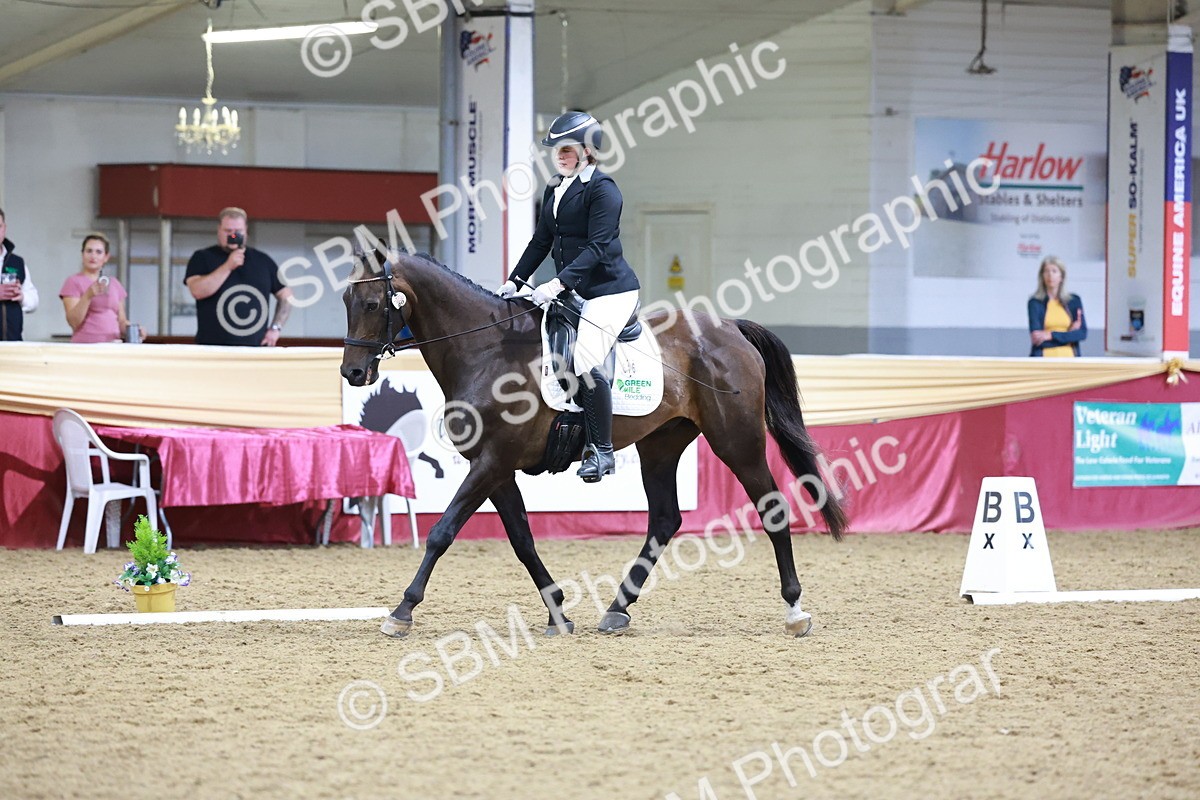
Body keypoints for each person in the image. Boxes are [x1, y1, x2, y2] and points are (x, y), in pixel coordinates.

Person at [496, 111, 641, 483]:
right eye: (557, 149)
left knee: (586, 359)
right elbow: (542, 240)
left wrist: (557, 284)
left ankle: (602, 452)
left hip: (611, 291)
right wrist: (516, 279)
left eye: (568, 148)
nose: (560, 155)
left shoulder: (604, 190)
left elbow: (596, 247)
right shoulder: (555, 187)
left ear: (588, 151)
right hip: (575, 289)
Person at [184, 207, 292, 346]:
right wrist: (228, 266)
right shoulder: (202, 257)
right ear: (219, 230)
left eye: (238, 232)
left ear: (246, 231)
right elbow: (197, 291)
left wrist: (275, 329)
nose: (233, 236)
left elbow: (286, 296)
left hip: (254, 347)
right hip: (212, 347)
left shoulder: (263, 261)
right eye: (228, 231)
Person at [60, 234, 142, 343]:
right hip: (85, 346)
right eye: (89, 251)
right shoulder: (73, 281)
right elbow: (73, 322)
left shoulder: (114, 283)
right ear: (82, 254)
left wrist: (134, 330)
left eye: (98, 252)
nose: (93, 256)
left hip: (113, 345)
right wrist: (88, 296)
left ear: (106, 257)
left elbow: (121, 321)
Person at [1028, 255, 1086, 357]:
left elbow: (1082, 334)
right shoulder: (1035, 303)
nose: (1050, 275)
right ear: (1042, 276)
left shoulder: (1074, 301)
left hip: (1070, 359)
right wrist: (1068, 335)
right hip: (1043, 360)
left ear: (1061, 277)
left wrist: (1050, 335)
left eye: (1054, 271)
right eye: (1046, 271)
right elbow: (1038, 340)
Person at [0, 207, 40, 341]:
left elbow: (33, 300)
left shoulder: (17, 262)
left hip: (13, 342)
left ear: (4, 228)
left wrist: (21, 296)